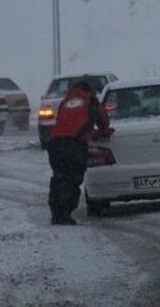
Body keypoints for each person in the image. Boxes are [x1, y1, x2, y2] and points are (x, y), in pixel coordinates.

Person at [47, 80, 112, 225]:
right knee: (72, 179)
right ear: (90, 90)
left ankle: (56, 212)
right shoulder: (91, 100)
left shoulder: (66, 101)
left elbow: (69, 123)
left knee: (59, 177)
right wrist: (103, 132)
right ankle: (65, 214)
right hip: (74, 145)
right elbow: (103, 121)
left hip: (55, 144)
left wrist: (90, 133)